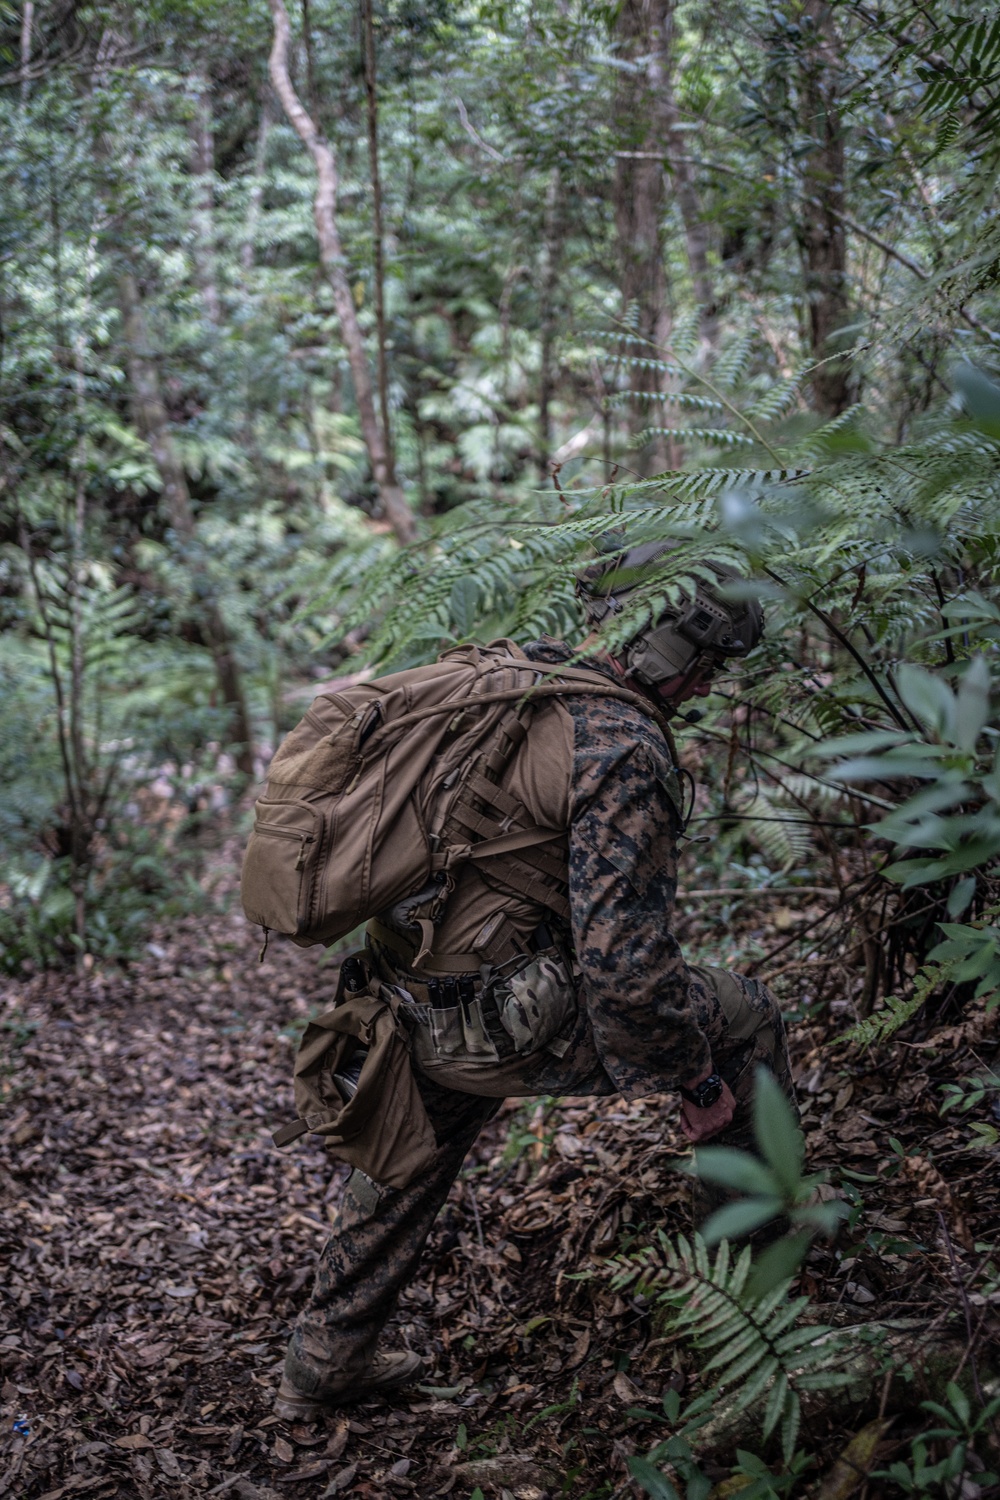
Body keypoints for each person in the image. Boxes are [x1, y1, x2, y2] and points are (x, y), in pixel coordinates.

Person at [272, 544, 797, 1421]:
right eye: (705, 665)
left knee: (417, 1132)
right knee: (747, 1022)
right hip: (500, 1017)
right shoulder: (622, 744)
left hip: (409, 992)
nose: (706, 687)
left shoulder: (508, 682)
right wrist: (695, 1073)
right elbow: (627, 974)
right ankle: (758, 1306)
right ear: (674, 652)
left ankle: (325, 1357)